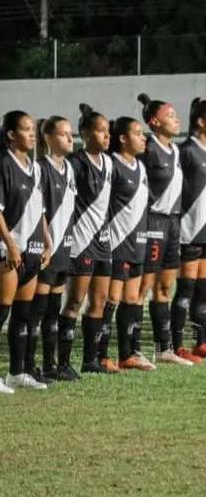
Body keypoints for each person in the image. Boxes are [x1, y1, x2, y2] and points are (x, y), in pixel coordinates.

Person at [171, 97, 206, 362]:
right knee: (186, 289)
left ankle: (201, 342)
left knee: (204, 289)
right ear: (201, 122)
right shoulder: (187, 151)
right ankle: (175, 346)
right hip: (188, 231)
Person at [136, 93, 190, 366]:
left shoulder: (175, 149)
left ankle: (164, 348)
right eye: (170, 115)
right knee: (143, 286)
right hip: (153, 221)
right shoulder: (147, 148)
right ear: (154, 122)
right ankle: (131, 349)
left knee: (165, 286)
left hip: (173, 223)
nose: (176, 119)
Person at [61, 103, 114, 375]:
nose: (107, 136)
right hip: (81, 240)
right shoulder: (75, 163)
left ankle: (91, 360)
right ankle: (62, 361)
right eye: (101, 131)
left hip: (103, 242)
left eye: (108, 131)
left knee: (100, 300)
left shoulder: (110, 163)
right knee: (74, 301)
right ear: (85, 133)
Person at [0, 111, 51, 392]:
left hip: (32, 251)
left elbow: (40, 210)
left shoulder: (35, 167)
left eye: (34, 129)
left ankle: (17, 372)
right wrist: (9, 244)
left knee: (23, 313)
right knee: (2, 312)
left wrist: (47, 241)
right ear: (11, 135)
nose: (32, 134)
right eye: (26, 129)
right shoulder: (4, 165)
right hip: (9, 251)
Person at [105, 116, 155, 370]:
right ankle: (101, 354)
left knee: (134, 298)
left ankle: (130, 353)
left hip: (138, 241)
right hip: (117, 241)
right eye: (137, 133)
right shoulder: (111, 165)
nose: (143, 137)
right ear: (123, 138)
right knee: (112, 297)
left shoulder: (141, 166)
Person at [30, 116, 76, 382]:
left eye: (71, 134)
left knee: (53, 313)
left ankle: (51, 364)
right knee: (37, 311)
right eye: (63, 134)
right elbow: (39, 211)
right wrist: (47, 241)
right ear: (48, 138)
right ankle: (27, 366)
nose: (70, 138)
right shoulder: (41, 168)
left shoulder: (68, 168)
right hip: (48, 250)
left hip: (64, 251)